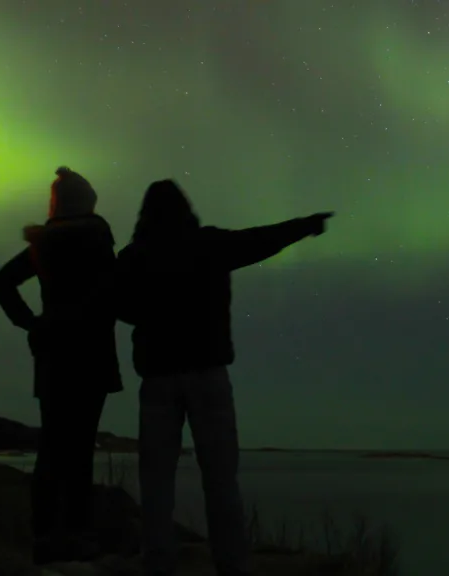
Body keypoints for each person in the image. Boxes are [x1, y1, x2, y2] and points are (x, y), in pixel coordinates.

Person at [116, 179, 334, 576]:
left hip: (159, 377)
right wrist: (306, 225)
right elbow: (261, 240)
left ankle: (158, 562)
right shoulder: (210, 244)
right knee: (220, 478)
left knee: (156, 478)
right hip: (208, 374)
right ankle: (231, 563)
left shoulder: (134, 257)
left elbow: (120, 307)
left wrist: (151, 315)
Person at [0, 167, 123, 565]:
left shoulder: (44, 243)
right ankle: (77, 536)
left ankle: (46, 536)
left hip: (53, 355)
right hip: (92, 354)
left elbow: (1, 283)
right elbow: (115, 294)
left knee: (52, 447)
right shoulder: (99, 240)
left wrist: (32, 324)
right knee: (79, 449)